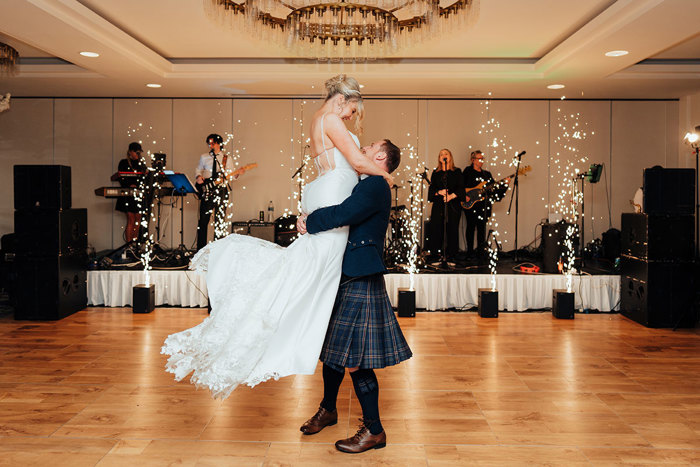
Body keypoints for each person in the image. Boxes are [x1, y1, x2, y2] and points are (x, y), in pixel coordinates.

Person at [161, 75, 394, 399]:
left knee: (300, 284)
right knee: (303, 288)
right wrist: (387, 177)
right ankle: (285, 339)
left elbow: (348, 169)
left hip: (328, 211)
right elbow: (356, 162)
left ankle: (307, 366)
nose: (352, 119)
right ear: (344, 99)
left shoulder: (317, 120)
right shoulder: (331, 119)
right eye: (353, 111)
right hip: (331, 218)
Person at [295, 139, 411, 454]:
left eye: (371, 145)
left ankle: (374, 430)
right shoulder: (363, 181)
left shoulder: (376, 184)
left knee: (356, 361)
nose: (365, 145)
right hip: (345, 273)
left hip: (361, 274)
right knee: (333, 351)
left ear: (381, 156)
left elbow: (346, 213)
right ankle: (328, 409)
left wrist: (311, 222)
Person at [195, 133, 237, 251]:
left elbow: (232, 175)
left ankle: (218, 250)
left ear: (219, 144)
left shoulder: (226, 158)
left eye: (212, 142)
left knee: (220, 221)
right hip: (207, 189)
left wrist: (236, 174)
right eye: (209, 142)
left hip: (221, 190)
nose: (210, 145)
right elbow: (198, 169)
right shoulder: (204, 157)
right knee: (203, 221)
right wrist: (199, 177)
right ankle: (200, 249)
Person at [462, 150, 504, 257]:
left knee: (481, 228)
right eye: (479, 158)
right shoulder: (467, 171)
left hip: (483, 205)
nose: (481, 161)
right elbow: (461, 186)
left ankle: (480, 252)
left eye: (482, 158)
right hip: (471, 205)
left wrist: (504, 183)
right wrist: (465, 195)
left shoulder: (486, 174)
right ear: (473, 160)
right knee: (470, 227)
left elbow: (493, 188)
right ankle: (470, 252)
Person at [427, 149, 464, 261]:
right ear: (439, 158)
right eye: (441, 154)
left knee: (452, 228)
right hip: (439, 204)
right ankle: (436, 254)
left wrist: (452, 196)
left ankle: (452, 254)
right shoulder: (436, 173)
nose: (444, 156)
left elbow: (461, 188)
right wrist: (439, 192)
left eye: (446, 154)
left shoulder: (457, 171)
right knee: (437, 228)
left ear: (450, 157)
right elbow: (431, 189)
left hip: (453, 205)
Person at [115, 142, 147, 243]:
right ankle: (129, 245)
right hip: (127, 194)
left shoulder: (141, 163)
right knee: (131, 219)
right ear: (130, 152)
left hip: (138, 194)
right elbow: (121, 177)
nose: (137, 154)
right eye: (135, 152)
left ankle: (135, 243)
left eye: (139, 152)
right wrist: (130, 185)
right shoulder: (123, 163)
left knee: (138, 220)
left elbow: (144, 179)